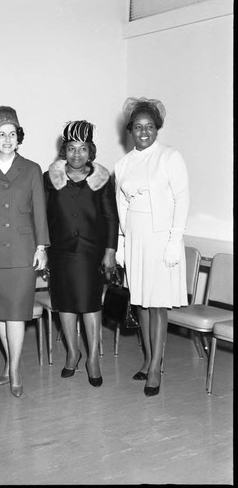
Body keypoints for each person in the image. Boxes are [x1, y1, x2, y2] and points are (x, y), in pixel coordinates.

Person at [0, 106, 49, 398]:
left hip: (21, 253)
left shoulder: (31, 169)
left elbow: (39, 211)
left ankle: (15, 368)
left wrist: (42, 247)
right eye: (1, 134)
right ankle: (8, 363)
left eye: (12, 134)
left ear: (19, 138)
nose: (6, 139)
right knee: (0, 315)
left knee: (16, 314)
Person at [115, 97, 189, 397]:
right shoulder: (123, 164)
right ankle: (148, 359)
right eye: (137, 127)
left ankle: (157, 366)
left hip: (161, 240)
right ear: (130, 130)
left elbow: (182, 200)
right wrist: (121, 242)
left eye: (149, 127)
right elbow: (121, 206)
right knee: (141, 303)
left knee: (157, 304)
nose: (143, 132)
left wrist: (174, 241)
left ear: (157, 128)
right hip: (135, 238)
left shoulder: (171, 157)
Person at [44, 120, 118, 387]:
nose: (77, 154)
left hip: (90, 253)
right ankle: (73, 353)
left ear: (91, 151)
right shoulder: (49, 178)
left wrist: (110, 251)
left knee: (91, 305)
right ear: (64, 150)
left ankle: (93, 360)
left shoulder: (102, 179)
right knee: (64, 304)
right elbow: (43, 217)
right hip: (61, 252)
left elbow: (111, 217)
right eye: (72, 148)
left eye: (83, 149)